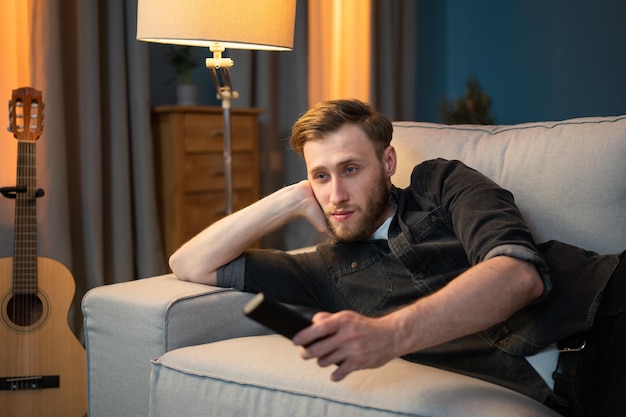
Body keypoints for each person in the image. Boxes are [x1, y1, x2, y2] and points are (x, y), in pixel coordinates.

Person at [169, 99, 625, 417]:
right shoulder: (324, 270)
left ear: (387, 162)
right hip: (578, 392)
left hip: (606, 307)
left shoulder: (441, 182)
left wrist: (388, 335)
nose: (336, 195)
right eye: (320, 177)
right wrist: (288, 200)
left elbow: (517, 273)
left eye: (350, 169)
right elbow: (190, 264)